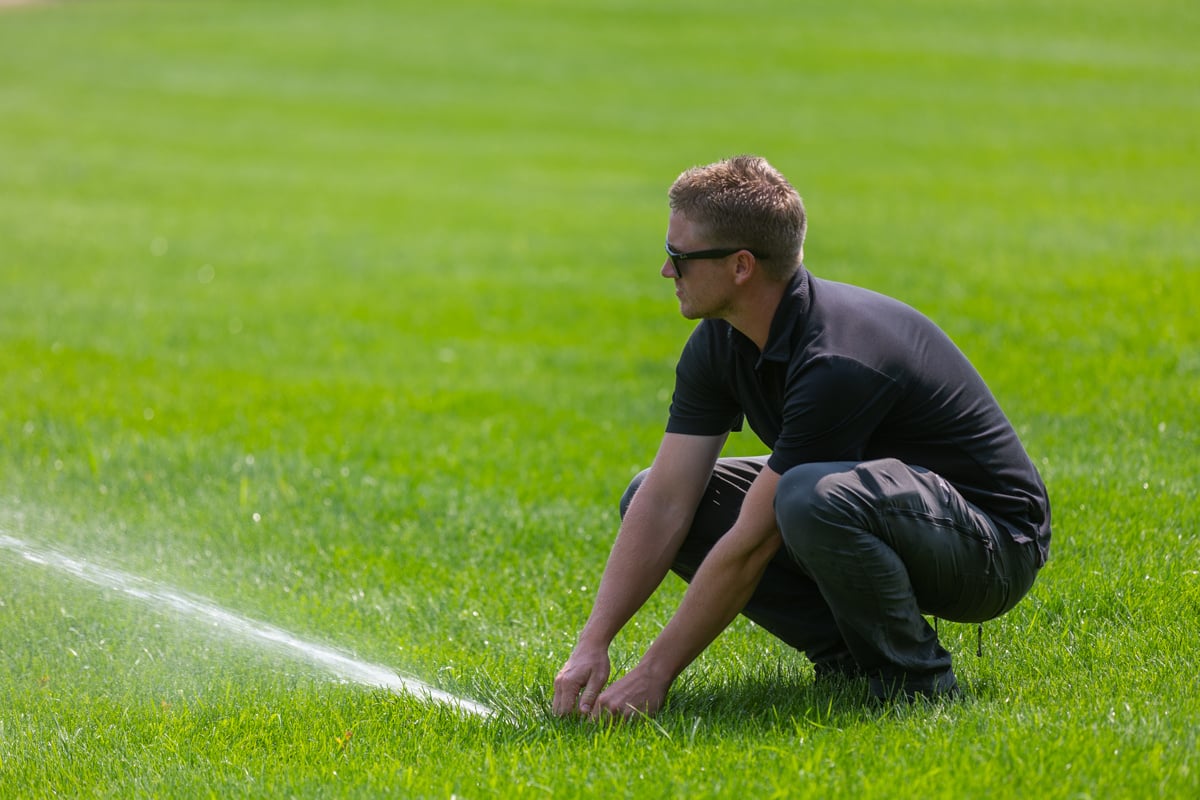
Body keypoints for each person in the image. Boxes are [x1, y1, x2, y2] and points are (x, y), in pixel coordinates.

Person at [551, 155, 1051, 719]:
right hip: (888, 513)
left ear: (741, 266)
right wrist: (593, 643)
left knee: (808, 497)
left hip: (992, 548)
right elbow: (666, 499)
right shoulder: (723, 339)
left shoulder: (836, 359)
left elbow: (752, 542)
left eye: (679, 257)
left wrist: (654, 674)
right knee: (651, 491)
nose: (667, 272)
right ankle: (849, 660)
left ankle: (914, 683)